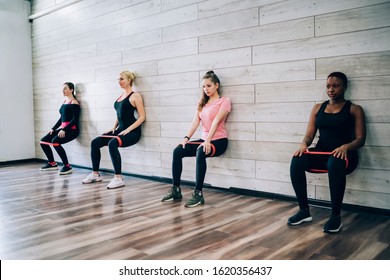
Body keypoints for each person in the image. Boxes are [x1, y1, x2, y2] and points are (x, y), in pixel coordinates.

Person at [288, 72, 366, 233]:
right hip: (322, 153)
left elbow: (360, 139)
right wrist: (303, 144)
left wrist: (345, 147)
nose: (331, 89)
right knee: (297, 159)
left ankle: (335, 217)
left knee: (335, 160)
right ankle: (304, 211)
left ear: (345, 87)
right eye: (328, 86)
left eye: (336, 86)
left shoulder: (354, 109)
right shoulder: (318, 108)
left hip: (345, 156)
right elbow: (309, 135)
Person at [161, 71, 231, 207]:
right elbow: (195, 122)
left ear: (217, 85)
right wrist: (186, 138)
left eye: (209, 86)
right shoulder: (202, 103)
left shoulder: (224, 101)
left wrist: (208, 140)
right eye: (204, 86)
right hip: (204, 139)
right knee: (178, 151)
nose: (206, 89)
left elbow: (216, 121)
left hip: (219, 140)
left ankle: (198, 194)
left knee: (200, 151)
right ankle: (176, 189)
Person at [82, 71, 145, 189]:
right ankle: (95, 174)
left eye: (121, 79)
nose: (119, 81)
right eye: (118, 79)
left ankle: (118, 178)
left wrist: (128, 130)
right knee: (95, 142)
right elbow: (119, 114)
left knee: (113, 143)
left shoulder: (135, 96)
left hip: (133, 132)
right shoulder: (120, 96)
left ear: (129, 80)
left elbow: (142, 117)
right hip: (120, 130)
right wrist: (113, 128)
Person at [40, 82, 80, 175]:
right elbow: (61, 118)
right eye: (63, 89)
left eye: (65, 88)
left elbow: (75, 119)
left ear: (71, 90)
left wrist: (64, 130)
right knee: (43, 141)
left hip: (72, 130)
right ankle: (52, 163)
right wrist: (53, 129)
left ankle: (67, 166)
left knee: (55, 141)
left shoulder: (74, 102)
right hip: (63, 129)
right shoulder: (64, 102)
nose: (63, 90)